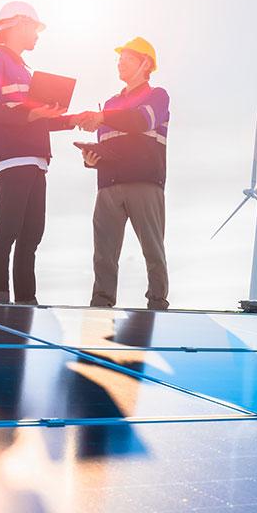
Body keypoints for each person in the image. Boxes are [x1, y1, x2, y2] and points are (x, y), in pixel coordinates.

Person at [0, 1, 86, 305]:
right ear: (17, 25)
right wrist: (30, 116)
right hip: (12, 158)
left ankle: (26, 301)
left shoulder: (25, 70)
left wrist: (71, 120)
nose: (38, 34)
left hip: (37, 159)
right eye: (35, 28)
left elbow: (39, 118)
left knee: (33, 231)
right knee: (9, 225)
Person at [76, 37, 170, 309]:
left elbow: (142, 121)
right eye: (119, 59)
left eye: (127, 58)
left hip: (144, 183)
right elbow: (108, 143)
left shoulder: (158, 96)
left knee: (152, 249)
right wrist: (91, 159)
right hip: (108, 185)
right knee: (103, 253)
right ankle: (101, 303)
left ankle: (157, 302)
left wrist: (103, 117)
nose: (120, 63)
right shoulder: (110, 103)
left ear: (145, 64)